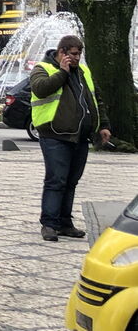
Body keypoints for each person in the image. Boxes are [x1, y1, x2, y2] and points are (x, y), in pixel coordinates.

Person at [30, 35, 111, 242]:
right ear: (62, 52)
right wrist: (63, 72)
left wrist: (103, 125)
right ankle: (49, 224)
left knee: (71, 181)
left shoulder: (83, 72)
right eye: (74, 54)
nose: (77, 58)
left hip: (80, 137)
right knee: (56, 180)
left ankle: (65, 223)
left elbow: (96, 99)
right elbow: (40, 90)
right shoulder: (43, 68)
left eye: (79, 54)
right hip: (54, 135)